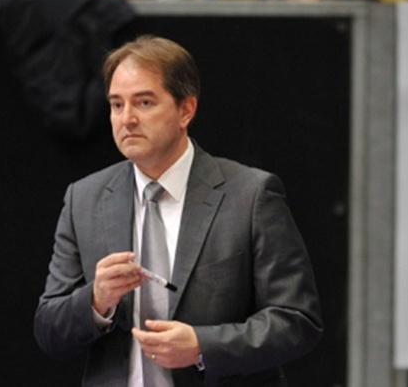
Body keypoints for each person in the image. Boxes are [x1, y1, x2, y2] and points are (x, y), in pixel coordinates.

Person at [34, 35, 323, 386]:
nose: (127, 119)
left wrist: (204, 346)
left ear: (186, 110)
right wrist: (96, 300)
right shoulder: (84, 198)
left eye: (144, 102)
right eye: (116, 105)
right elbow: (49, 331)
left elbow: (297, 321)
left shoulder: (250, 195)